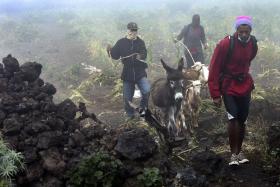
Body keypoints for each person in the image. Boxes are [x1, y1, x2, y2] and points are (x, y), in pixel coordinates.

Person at [208, 16, 258, 166]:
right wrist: (215, 94)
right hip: (228, 85)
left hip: (245, 85)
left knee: (242, 119)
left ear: (250, 31)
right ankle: (233, 154)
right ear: (236, 30)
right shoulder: (225, 44)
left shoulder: (253, 43)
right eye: (240, 31)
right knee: (233, 118)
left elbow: (249, 59)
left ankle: (240, 151)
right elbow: (214, 68)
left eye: (246, 31)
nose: (244, 34)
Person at [107, 22, 150, 119]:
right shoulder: (121, 42)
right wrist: (110, 50)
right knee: (127, 99)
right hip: (127, 74)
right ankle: (130, 115)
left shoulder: (140, 42)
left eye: (135, 30)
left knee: (146, 91)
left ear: (137, 31)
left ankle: (143, 111)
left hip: (140, 73)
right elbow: (115, 56)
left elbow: (144, 53)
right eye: (131, 30)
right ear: (127, 30)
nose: (133, 32)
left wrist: (140, 56)